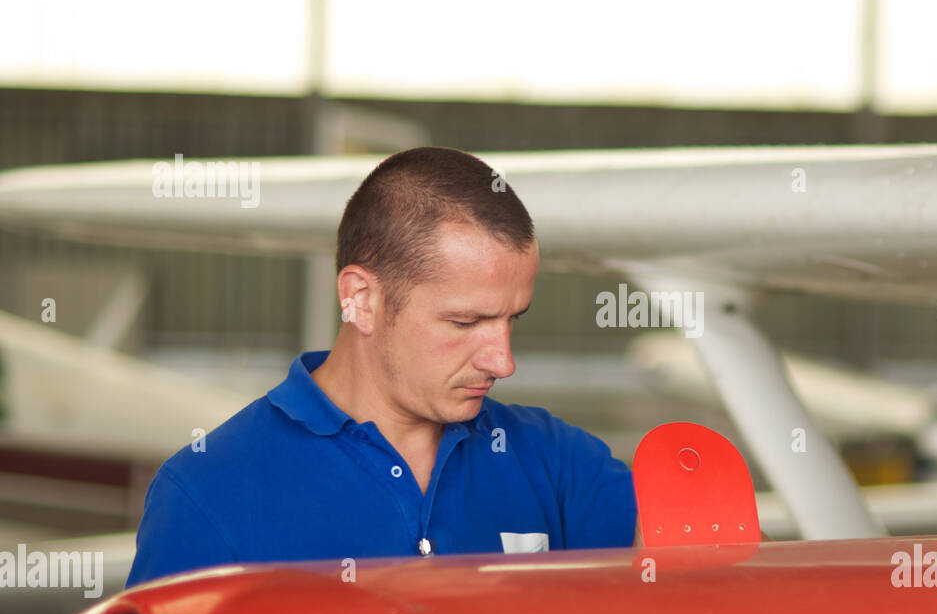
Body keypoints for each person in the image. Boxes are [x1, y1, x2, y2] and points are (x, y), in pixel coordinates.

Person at [126, 147, 637, 587]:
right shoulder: (209, 493)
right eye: (464, 322)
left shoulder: (560, 466)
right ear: (361, 300)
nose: (503, 362)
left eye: (512, 320)